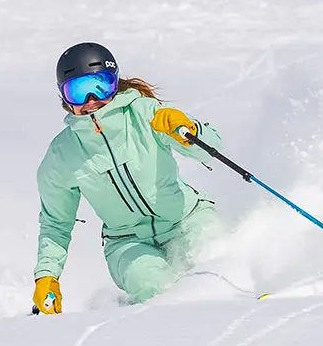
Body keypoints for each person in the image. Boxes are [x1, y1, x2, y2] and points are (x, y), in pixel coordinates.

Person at [31, 42, 223, 315]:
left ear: (115, 83)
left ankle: (251, 301)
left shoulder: (145, 114)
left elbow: (214, 148)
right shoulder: (62, 155)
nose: (90, 101)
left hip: (187, 219)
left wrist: (188, 130)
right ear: (64, 99)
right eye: (77, 91)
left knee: (219, 264)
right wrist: (47, 277)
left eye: (99, 86)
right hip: (128, 243)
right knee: (156, 289)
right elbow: (55, 225)